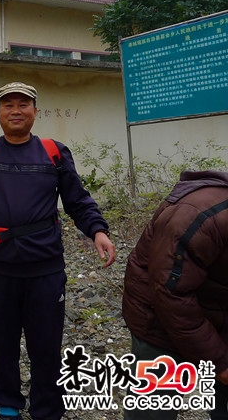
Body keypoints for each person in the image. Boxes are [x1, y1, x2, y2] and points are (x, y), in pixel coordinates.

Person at [0, 66, 116, 420]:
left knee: (46, 348)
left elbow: (77, 200)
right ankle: (8, 405)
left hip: (45, 272)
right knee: (2, 345)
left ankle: (47, 411)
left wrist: (98, 231)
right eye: (7, 105)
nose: (16, 110)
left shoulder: (54, 152)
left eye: (23, 104)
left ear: (34, 111)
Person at [122, 170, 228, 419]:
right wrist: (218, 362)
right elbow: (171, 295)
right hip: (161, 319)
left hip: (217, 310)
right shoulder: (197, 217)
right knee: (153, 408)